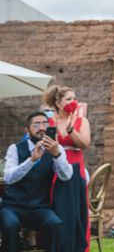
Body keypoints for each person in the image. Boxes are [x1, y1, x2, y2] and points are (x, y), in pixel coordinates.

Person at [0, 111, 73, 252]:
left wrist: (56, 155)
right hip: (13, 206)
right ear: (27, 130)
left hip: (40, 207)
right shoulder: (15, 149)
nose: (42, 127)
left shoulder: (57, 150)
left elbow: (67, 176)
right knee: (10, 225)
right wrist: (31, 160)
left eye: (45, 123)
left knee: (55, 224)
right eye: (36, 124)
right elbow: (8, 177)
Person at [44, 85, 91, 252]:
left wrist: (71, 131)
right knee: (57, 206)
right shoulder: (49, 122)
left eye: (75, 98)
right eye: (69, 99)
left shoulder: (81, 121)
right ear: (58, 102)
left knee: (77, 208)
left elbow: (85, 144)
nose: (74, 102)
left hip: (75, 164)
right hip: (54, 166)